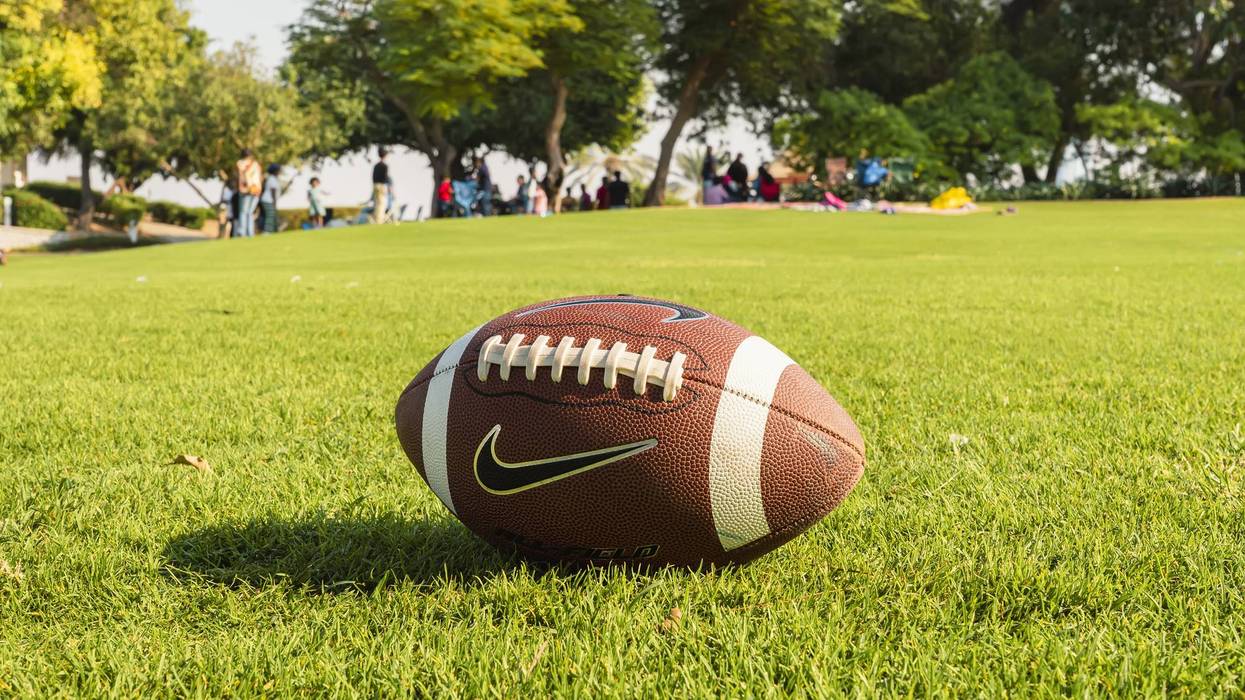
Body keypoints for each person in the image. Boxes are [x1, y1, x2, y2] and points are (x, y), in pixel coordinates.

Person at [234, 148, 262, 237]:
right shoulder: (255, 164)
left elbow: (241, 176)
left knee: (243, 212)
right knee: (250, 212)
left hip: (245, 189)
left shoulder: (240, 163)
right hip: (256, 189)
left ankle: (242, 232)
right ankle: (250, 232)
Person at [260, 163, 281, 233]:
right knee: (270, 216)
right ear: (275, 171)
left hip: (267, 200)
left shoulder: (271, 178)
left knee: (271, 215)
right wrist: (275, 204)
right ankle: (267, 231)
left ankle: (272, 230)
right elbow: (273, 193)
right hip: (268, 200)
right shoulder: (272, 179)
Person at [371, 148, 390, 224]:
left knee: (377, 203)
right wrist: (388, 187)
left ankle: (377, 219)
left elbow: (373, 177)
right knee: (381, 203)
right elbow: (385, 178)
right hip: (381, 186)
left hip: (375, 185)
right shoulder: (385, 166)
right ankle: (379, 220)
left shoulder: (376, 166)